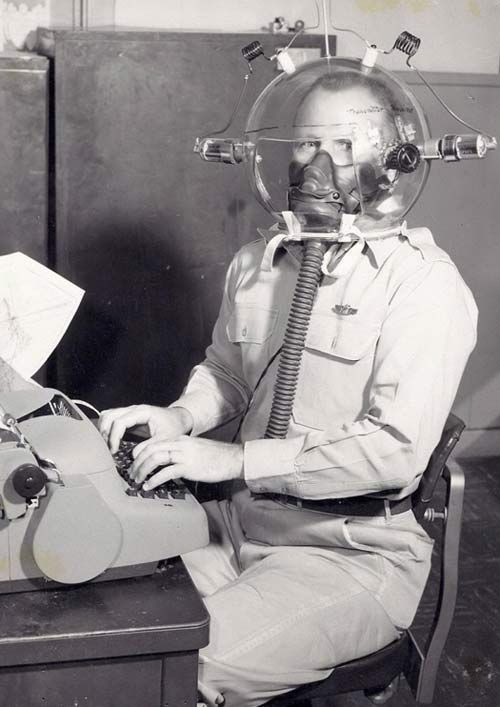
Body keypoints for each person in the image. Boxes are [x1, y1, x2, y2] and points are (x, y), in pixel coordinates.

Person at [99, 72, 478, 707]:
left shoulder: (424, 287)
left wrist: (235, 460)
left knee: (181, 668)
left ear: (392, 160)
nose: (320, 165)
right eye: (305, 144)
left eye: (346, 144)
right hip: (235, 524)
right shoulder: (257, 262)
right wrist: (179, 418)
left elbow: (395, 451)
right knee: (103, 625)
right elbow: (227, 371)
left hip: (351, 553)